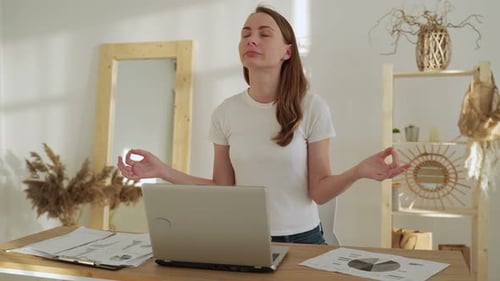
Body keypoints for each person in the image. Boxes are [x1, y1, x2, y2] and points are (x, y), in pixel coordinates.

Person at [117, 5, 410, 245]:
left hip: (303, 240)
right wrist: (161, 171)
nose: (251, 40)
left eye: (264, 34)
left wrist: (358, 171)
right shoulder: (225, 112)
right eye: (245, 34)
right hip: (246, 239)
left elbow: (319, 191)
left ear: (287, 52)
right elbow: (223, 186)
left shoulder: (312, 108)